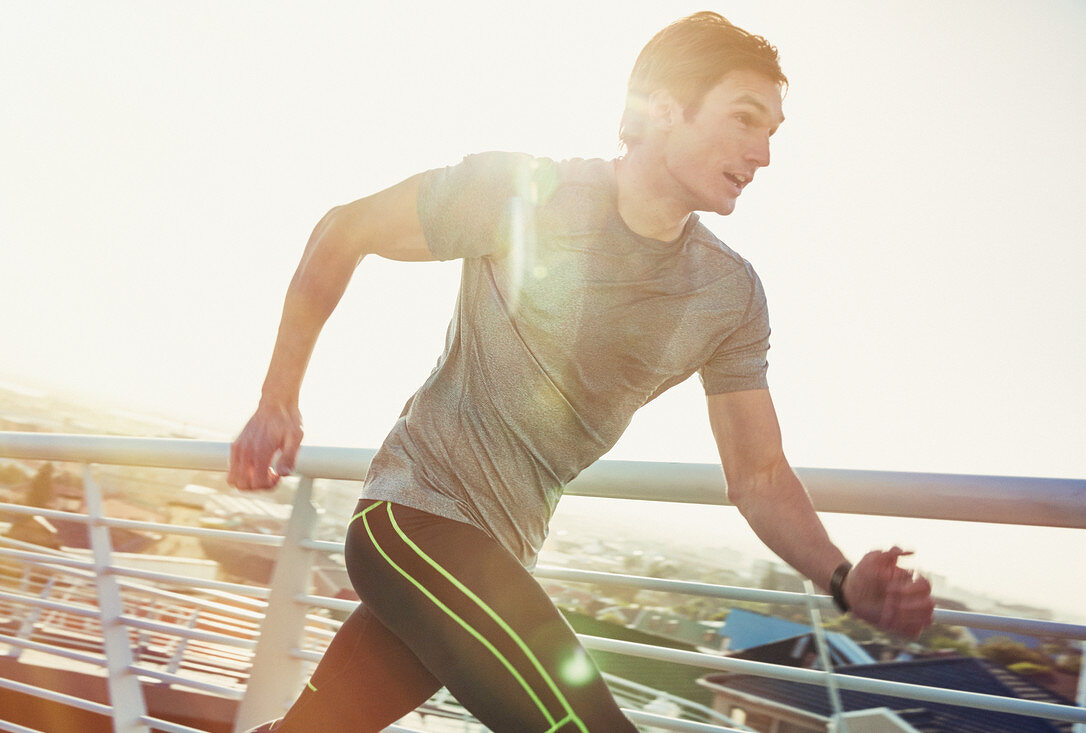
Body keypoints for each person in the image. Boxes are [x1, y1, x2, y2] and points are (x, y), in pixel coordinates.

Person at [229, 11, 935, 732]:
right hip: (413, 518)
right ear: (662, 106)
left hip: (499, 560)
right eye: (745, 119)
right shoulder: (524, 193)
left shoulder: (729, 294)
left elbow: (757, 474)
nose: (763, 153)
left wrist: (844, 579)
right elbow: (345, 228)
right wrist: (277, 399)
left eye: (772, 133)